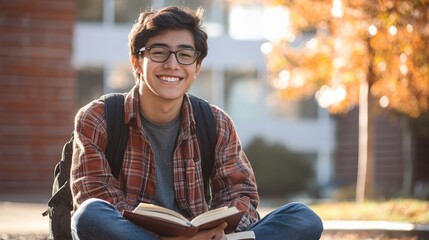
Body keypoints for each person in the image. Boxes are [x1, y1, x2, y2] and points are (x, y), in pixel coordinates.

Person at [70, 5, 323, 240]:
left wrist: (218, 230)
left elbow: (239, 194)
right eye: (159, 53)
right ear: (137, 62)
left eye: (185, 54)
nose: (172, 64)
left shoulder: (216, 122)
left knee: (302, 218)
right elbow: (96, 194)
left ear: (197, 66)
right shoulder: (98, 117)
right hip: (138, 236)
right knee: (90, 216)